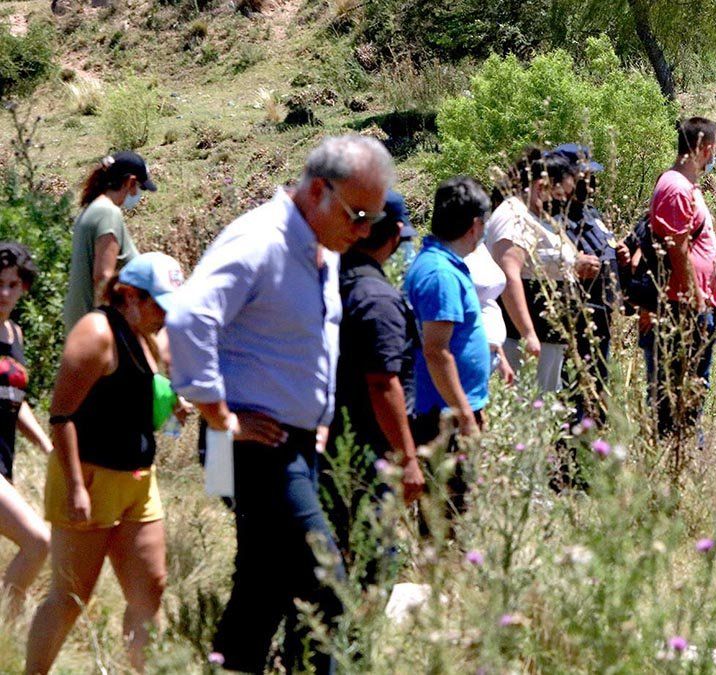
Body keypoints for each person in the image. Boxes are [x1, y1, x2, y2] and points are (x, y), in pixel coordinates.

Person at [166, 134, 392, 674]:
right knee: (327, 587)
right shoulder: (260, 240)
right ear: (317, 190)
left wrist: (314, 418)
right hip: (256, 447)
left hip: (294, 443)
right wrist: (220, 417)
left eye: (373, 220)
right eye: (358, 215)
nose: (364, 231)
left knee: (263, 591)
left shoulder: (323, 249)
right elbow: (189, 318)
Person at [26, 252, 184, 675]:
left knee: (151, 589)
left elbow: (131, 393)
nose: (166, 316)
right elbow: (61, 414)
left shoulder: (145, 333)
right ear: (129, 295)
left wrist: (172, 405)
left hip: (138, 479)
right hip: (89, 479)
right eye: (161, 305)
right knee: (72, 597)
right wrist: (76, 486)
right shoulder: (96, 332)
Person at [324, 189, 423, 587]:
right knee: (373, 567)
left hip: (329, 442)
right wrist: (408, 458)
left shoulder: (329, 281)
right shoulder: (377, 298)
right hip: (366, 450)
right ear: (396, 234)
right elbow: (383, 383)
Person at [405, 176, 492, 523]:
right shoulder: (440, 273)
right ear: (475, 225)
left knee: (453, 511)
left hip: (451, 411)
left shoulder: (443, 265)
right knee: (445, 517)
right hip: (444, 417)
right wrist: (465, 415)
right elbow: (436, 352)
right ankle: (440, 578)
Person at [485, 149, 600, 392]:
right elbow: (510, 276)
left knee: (544, 407)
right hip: (527, 337)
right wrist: (528, 334)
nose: (564, 202)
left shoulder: (533, 216)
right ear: (541, 186)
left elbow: (540, 262)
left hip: (547, 335)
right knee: (530, 407)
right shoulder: (514, 216)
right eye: (561, 195)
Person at [645, 117, 716, 447]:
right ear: (706, 149)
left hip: (693, 304)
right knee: (681, 385)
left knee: (692, 384)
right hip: (685, 306)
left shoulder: (685, 186)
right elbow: (676, 247)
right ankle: (679, 450)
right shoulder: (676, 187)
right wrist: (696, 296)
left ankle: (685, 449)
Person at [548, 143, 620, 422]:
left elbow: (606, 247)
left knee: (597, 390)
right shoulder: (552, 218)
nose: (591, 183)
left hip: (601, 317)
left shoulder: (592, 214)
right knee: (572, 393)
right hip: (574, 321)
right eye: (584, 177)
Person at [0, 243, 53, 615]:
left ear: (25, 288)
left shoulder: (14, 334)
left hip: (5, 460)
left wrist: (49, 448)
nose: (4, 292)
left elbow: (15, 402)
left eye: (13, 284)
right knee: (38, 541)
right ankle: (8, 627)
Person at [64, 151, 155, 330]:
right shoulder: (108, 212)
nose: (138, 195)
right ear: (130, 182)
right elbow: (103, 277)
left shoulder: (93, 209)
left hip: (83, 323)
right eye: (138, 187)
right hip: (97, 328)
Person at [463, 238, 514, 385]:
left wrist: (501, 358)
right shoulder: (451, 256)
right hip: (467, 356)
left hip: (490, 355)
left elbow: (487, 302)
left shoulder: (480, 246)